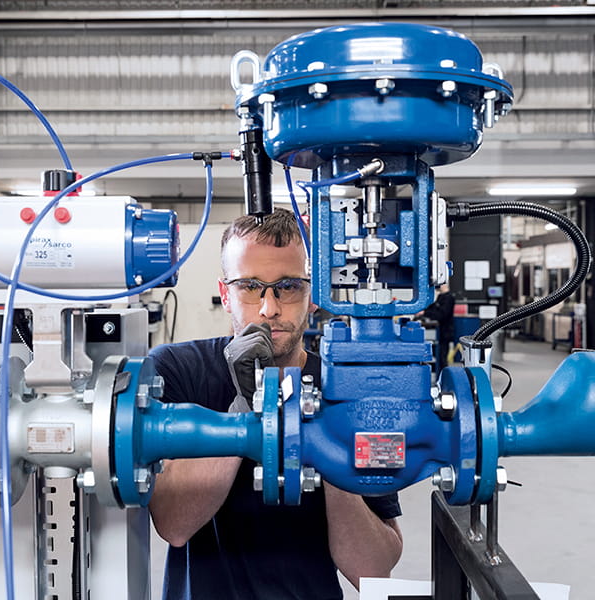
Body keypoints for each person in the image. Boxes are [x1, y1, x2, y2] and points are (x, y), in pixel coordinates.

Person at [149, 208, 403, 600]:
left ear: (314, 294)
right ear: (225, 295)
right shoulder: (178, 369)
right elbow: (174, 524)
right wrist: (246, 407)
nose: (269, 309)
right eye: (250, 287)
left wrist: (331, 445)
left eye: (288, 286)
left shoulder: (353, 390)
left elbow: (373, 568)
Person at [421, 283, 455, 372]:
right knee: (438, 356)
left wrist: (425, 313)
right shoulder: (440, 297)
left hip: (445, 332)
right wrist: (423, 311)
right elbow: (432, 308)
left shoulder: (448, 298)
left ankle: (443, 378)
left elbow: (442, 314)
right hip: (440, 331)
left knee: (442, 357)